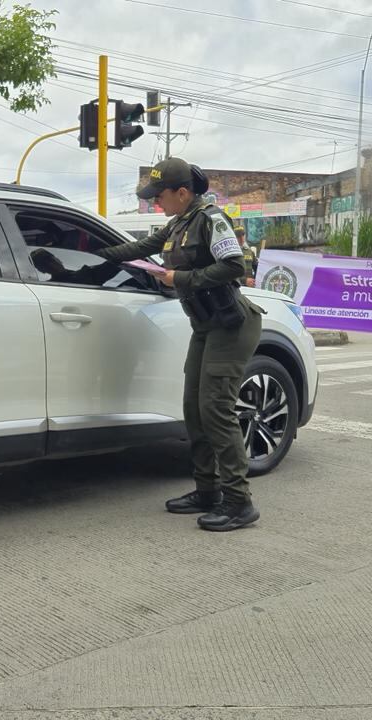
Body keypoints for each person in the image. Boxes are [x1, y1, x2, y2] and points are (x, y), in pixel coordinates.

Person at [95, 157, 264, 532]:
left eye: (160, 196)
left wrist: (180, 277)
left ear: (182, 192)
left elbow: (236, 267)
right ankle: (208, 491)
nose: (157, 203)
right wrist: (91, 253)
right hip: (205, 326)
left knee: (215, 409)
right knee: (194, 409)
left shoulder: (210, 219)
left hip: (231, 325)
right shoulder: (177, 225)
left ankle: (239, 503)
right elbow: (137, 249)